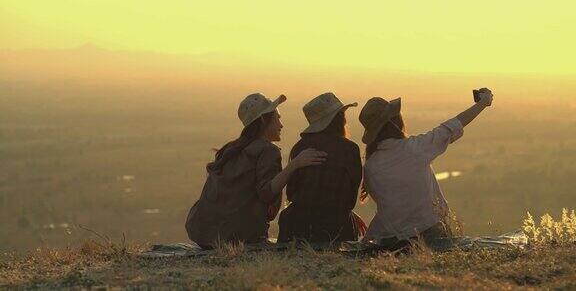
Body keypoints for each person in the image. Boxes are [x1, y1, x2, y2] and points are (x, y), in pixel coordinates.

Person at [185, 93, 326, 249]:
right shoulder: (268, 150)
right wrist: (295, 164)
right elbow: (266, 192)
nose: (281, 125)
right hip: (238, 237)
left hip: (204, 233)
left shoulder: (232, 148)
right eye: (277, 119)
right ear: (264, 120)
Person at [359, 88, 494, 250]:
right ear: (397, 121)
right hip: (430, 234)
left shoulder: (370, 167)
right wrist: (483, 103)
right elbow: (453, 125)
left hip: (390, 240)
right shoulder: (415, 148)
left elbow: (391, 207)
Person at [278, 92, 365, 244]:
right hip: (337, 229)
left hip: (298, 229)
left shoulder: (300, 148)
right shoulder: (350, 149)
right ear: (339, 119)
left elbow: (292, 193)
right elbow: (350, 198)